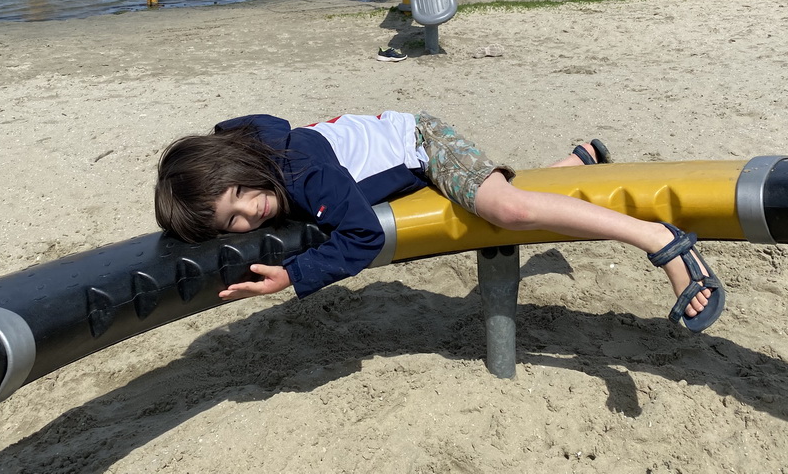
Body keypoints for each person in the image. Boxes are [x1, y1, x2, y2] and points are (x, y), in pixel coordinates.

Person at [154, 111, 725, 332]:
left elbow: (363, 236)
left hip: (420, 145)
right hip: (389, 166)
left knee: (507, 210)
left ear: (241, 166)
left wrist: (295, 277)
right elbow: (247, 122)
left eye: (240, 194)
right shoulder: (257, 151)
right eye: (232, 221)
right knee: (495, 197)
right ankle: (575, 163)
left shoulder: (304, 171)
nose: (252, 212)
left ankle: (661, 240)